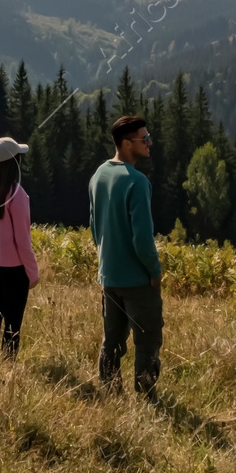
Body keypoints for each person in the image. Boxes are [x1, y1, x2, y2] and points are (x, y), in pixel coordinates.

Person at [89, 115, 163, 394]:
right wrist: (154, 273)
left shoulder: (98, 176)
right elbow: (142, 239)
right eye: (144, 139)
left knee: (112, 341)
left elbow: (94, 228)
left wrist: (107, 260)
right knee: (148, 342)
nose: (149, 143)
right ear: (125, 143)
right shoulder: (137, 182)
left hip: (109, 277)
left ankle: (110, 392)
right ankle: (146, 398)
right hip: (137, 281)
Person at [0, 136, 39, 357]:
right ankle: (8, 361)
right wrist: (32, 273)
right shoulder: (18, 194)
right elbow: (23, 241)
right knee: (13, 319)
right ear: (14, 163)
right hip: (13, 268)